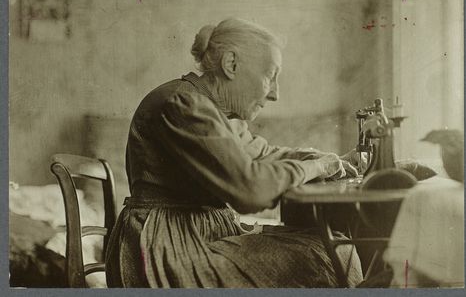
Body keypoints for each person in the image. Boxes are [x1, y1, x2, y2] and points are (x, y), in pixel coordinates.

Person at [105, 18, 363, 288]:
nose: (275, 93)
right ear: (231, 64)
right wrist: (318, 168)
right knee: (327, 252)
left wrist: (334, 162)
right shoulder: (184, 104)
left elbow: (264, 155)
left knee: (331, 246)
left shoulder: (215, 111)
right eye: (270, 76)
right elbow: (250, 190)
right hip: (164, 247)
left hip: (194, 234)